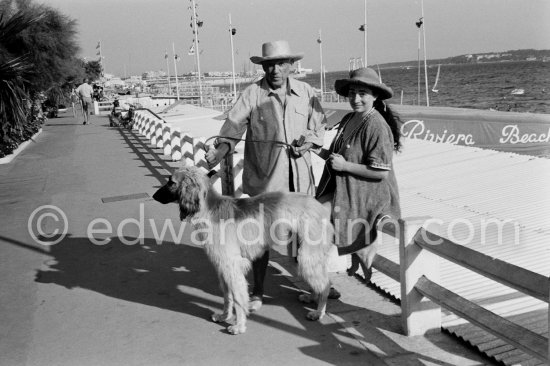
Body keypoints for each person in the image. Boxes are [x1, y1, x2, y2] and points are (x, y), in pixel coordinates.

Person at [206, 40, 339, 312]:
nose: (275, 69)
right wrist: (219, 153)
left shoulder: (306, 92)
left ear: (291, 65)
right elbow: (232, 128)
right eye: (270, 64)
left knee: (309, 237)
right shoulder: (252, 94)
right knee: (258, 240)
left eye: (281, 63)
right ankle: (258, 291)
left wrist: (310, 142)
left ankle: (318, 285)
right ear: (263, 67)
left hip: (300, 181)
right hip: (265, 182)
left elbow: (319, 127)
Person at [316, 67, 402, 281]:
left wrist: (345, 167)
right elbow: (339, 158)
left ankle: (360, 258)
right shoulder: (349, 118)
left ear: (375, 96)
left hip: (369, 192)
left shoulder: (377, 125)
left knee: (317, 219)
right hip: (346, 189)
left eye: (362, 94)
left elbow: (380, 173)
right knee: (314, 217)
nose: (356, 98)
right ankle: (345, 261)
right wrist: (315, 149)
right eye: (352, 93)